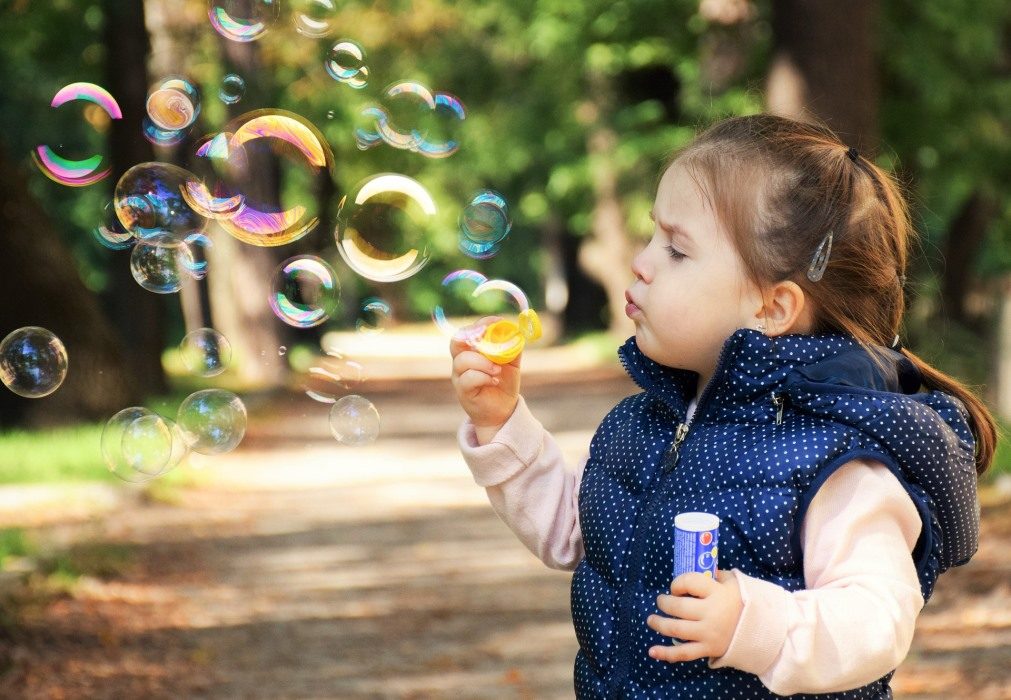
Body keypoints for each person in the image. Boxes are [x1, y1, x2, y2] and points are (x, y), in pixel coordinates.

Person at [449, 113, 998, 699]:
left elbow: (876, 619)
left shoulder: (833, 457)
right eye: (652, 235)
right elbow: (576, 532)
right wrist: (502, 422)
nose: (642, 261)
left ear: (772, 307)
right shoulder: (643, 424)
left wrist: (753, 623)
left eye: (678, 251)